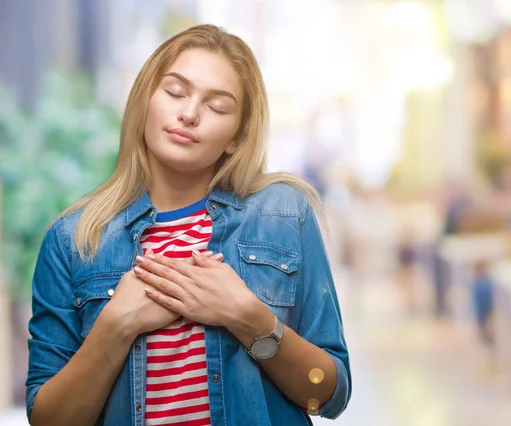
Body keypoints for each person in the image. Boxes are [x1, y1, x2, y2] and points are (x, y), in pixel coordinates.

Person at [25, 24, 351, 426]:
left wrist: (249, 317)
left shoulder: (283, 215)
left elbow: (328, 394)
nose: (189, 113)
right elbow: (48, 421)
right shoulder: (75, 239)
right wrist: (114, 326)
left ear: (236, 136)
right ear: (146, 99)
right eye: (175, 92)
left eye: (217, 106)